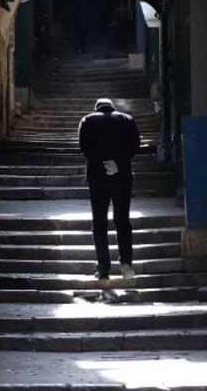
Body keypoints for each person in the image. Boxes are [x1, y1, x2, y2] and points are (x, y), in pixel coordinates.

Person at [78, 98, 141, 283]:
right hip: (122, 178)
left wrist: (102, 164)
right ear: (113, 107)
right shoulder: (127, 119)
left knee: (99, 224)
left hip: (97, 178)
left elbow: (85, 147)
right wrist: (118, 164)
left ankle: (104, 270)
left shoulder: (87, 120)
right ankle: (127, 267)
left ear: (96, 108)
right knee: (122, 221)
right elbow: (135, 144)